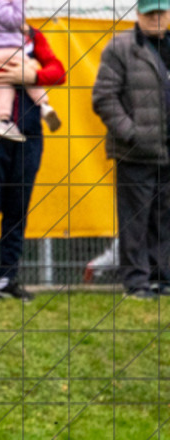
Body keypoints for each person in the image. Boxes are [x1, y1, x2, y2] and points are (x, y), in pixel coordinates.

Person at [0, 18, 65, 304]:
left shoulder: (32, 32)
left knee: (17, 205)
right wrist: (7, 70)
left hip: (30, 133)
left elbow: (58, 71)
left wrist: (31, 77)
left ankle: (8, 277)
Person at [92, 0, 170, 300]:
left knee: (164, 218)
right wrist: (131, 134)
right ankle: (136, 282)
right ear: (138, 14)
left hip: (167, 150)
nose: (156, 18)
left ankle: (161, 277)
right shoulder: (120, 47)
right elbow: (104, 97)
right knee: (135, 219)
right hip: (134, 152)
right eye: (149, 13)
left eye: (161, 12)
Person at [0, 0, 60, 142]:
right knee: (27, 67)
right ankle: (44, 105)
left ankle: (3, 121)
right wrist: (12, 73)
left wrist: (34, 76)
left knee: (4, 86)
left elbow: (58, 72)